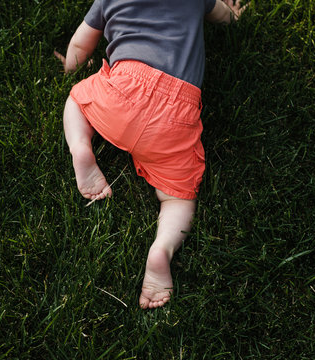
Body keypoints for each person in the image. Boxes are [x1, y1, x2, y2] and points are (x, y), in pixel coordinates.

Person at [54, 0, 248, 309]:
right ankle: (161, 249)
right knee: (177, 197)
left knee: (77, 102)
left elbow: (81, 42)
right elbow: (222, 16)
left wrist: (72, 68)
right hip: (177, 111)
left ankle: (81, 149)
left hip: (123, 87)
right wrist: (234, 16)